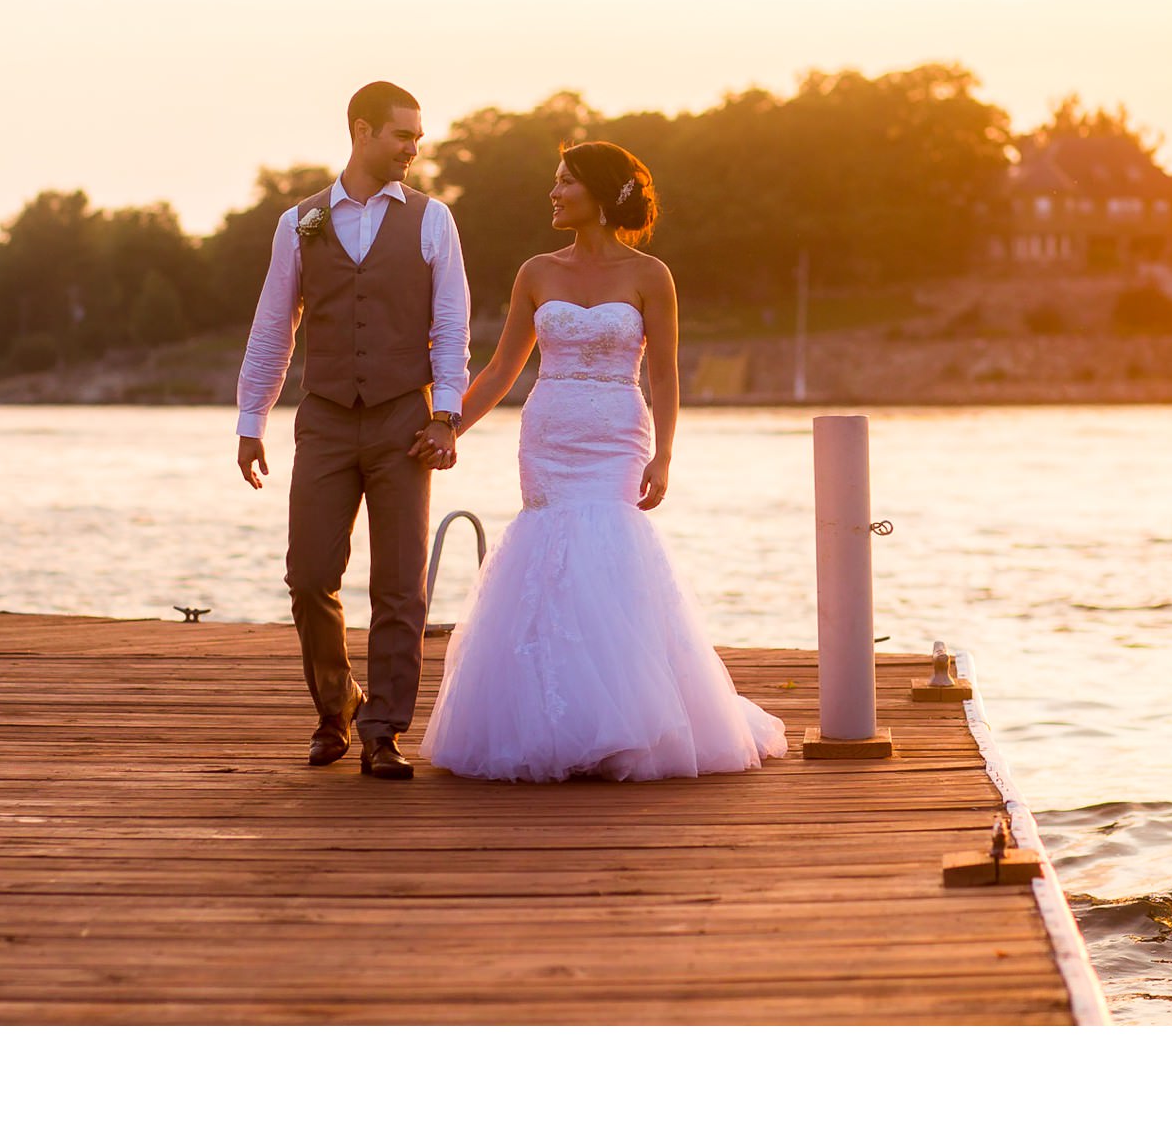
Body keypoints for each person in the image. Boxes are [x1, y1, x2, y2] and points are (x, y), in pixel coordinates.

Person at [416, 142, 787, 781]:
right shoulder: (536, 271)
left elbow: (666, 375)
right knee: (549, 558)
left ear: (598, 192)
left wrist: (664, 456)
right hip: (550, 430)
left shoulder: (651, 275)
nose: (553, 193)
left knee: (609, 552)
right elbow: (505, 368)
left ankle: (627, 726)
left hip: (617, 432)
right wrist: (449, 425)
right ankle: (553, 721)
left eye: (564, 182)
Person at [235, 81, 470, 780]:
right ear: (363, 131)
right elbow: (275, 326)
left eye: (418, 136)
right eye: (403, 135)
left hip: (404, 416)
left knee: (399, 584)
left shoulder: (433, 221)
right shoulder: (298, 223)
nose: (414, 148)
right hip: (326, 417)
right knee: (308, 575)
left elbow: (452, 324)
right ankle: (337, 704)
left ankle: (382, 729)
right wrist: (252, 418)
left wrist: (446, 413)